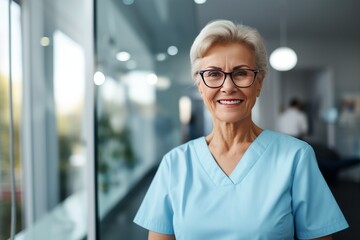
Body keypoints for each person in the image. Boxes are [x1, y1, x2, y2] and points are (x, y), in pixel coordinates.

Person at [134, 19, 348, 240]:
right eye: (214, 74)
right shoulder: (175, 164)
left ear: (259, 83)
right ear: (199, 84)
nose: (228, 87)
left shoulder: (295, 157)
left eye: (241, 73)